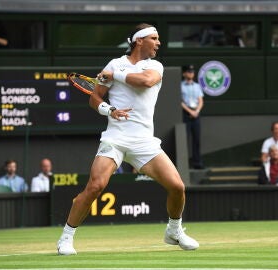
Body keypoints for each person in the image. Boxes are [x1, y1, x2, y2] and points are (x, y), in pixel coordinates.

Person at [57, 23, 199, 255]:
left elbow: (146, 81)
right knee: (95, 186)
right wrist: (108, 110)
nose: (159, 42)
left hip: (144, 141)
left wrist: (115, 76)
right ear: (139, 41)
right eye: (154, 38)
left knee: (177, 187)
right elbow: (95, 98)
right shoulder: (114, 63)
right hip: (115, 137)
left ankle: (174, 231)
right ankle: (66, 238)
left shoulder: (154, 66)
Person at [181, 64, 204, 169]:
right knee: (185, 139)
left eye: (192, 72)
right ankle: (185, 164)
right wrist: (190, 111)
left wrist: (197, 111)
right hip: (186, 114)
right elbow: (180, 102)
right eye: (189, 71)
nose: (191, 73)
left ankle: (197, 163)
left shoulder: (197, 86)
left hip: (196, 114)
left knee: (197, 139)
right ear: (184, 73)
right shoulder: (180, 86)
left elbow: (200, 101)